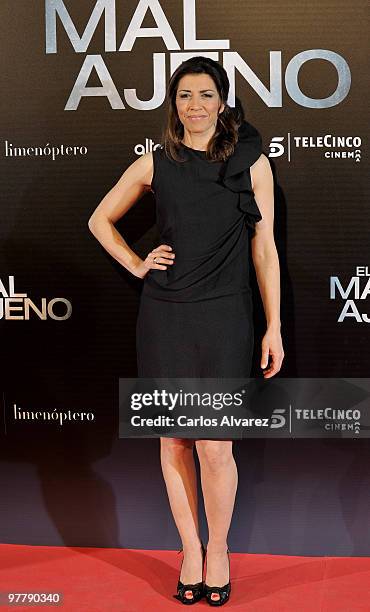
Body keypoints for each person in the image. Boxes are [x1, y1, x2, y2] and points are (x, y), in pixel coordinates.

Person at [88, 56, 284, 606]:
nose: (193, 106)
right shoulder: (156, 162)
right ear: (173, 105)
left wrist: (274, 326)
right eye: (183, 96)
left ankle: (218, 549)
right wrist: (135, 263)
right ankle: (190, 550)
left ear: (222, 101)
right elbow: (99, 219)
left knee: (215, 446)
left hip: (225, 314)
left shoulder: (252, 162)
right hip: (165, 312)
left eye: (204, 94)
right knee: (173, 440)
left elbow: (264, 250)